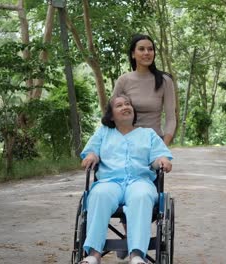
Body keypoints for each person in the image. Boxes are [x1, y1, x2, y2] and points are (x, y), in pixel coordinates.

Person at [79, 94, 173, 264]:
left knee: (142, 196)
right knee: (99, 194)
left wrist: (162, 160)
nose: (125, 107)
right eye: (119, 105)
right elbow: (91, 150)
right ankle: (94, 255)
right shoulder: (103, 133)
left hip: (139, 182)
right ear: (111, 115)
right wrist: (91, 156)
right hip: (109, 182)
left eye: (128, 104)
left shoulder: (147, 134)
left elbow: (159, 156)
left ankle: (137, 256)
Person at [113, 34, 176, 146]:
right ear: (133, 54)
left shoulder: (165, 80)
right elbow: (111, 114)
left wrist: (163, 147)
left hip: (155, 143)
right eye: (141, 49)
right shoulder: (123, 80)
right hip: (127, 144)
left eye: (150, 49)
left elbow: (171, 118)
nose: (147, 53)